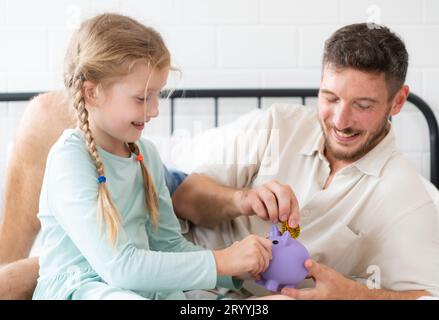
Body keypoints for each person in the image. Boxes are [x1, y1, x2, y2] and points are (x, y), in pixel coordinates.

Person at [170, 23, 439, 299]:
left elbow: (435, 297)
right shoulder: (277, 124)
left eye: (362, 105)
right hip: (180, 269)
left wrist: (355, 295)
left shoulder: (401, 191)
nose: (340, 121)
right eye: (330, 98)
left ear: (398, 101)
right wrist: (242, 200)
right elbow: (182, 198)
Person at [22, 13, 281, 300]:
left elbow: (169, 246)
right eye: (142, 98)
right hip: (84, 290)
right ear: (92, 93)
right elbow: (119, 267)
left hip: (139, 288)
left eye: (157, 95)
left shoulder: (146, 156)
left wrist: (236, 270)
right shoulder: (70, 159)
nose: (155, 109)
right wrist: (222, 259)